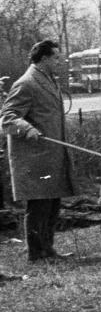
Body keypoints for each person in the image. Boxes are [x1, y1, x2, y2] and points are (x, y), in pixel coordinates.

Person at [1, 41, 77, 263]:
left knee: (52, 204)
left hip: (51, 155)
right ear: (44, 59)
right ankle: (36, 254)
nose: (59, 62)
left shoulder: (48, 80)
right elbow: (7, 117)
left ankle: (48, 250)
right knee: (39, 206)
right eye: (56, 58)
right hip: (34, 158)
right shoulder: (26, 83)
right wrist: (28, 128)